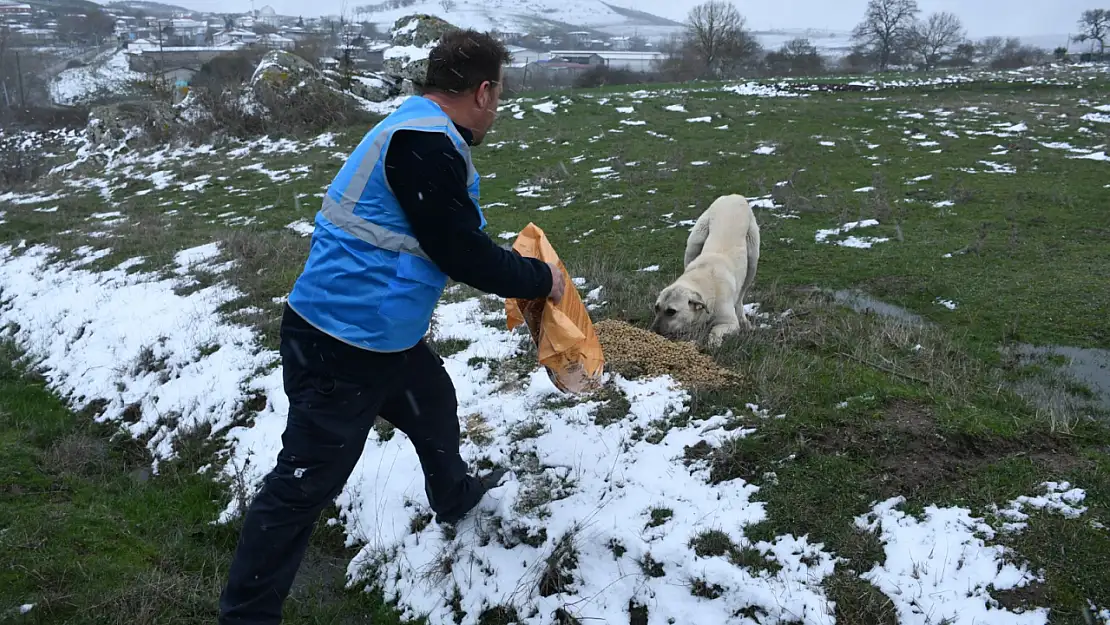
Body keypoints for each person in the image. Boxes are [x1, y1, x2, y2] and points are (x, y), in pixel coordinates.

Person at [217, 29, 566, 625]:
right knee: (301, 487)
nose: (499, 106)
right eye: (499, 93)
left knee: (433, 404)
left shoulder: (419, 127)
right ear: (483, 91)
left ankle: (454, 497)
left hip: (380, 338)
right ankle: (245, 616)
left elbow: (437, 240)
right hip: (337, 344)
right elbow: (461, 252)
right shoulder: (423, 144)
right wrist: (541, 280)